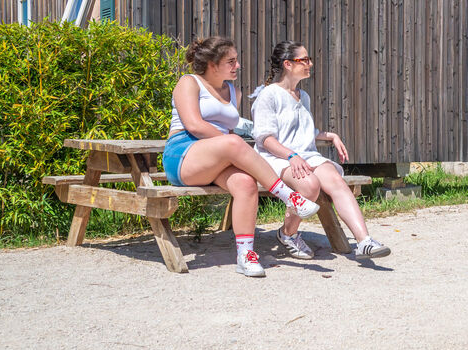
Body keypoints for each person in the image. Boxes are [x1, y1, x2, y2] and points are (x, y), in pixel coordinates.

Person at [163, 36, 320, 278]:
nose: (238, 66)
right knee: (233, 141)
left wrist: (230, 146)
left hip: (219, 158)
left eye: (237, 61)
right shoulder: (189, 82)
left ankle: (245, 255)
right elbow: (194, 125)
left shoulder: (232, 91)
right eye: (231, 61)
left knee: (246, 184)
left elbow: (229, 135)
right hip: (183, 155)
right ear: (213, 64)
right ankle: (289, 196)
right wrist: (230, 144)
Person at [251, 41, 390, 259]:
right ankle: (287, 234)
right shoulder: (269, 95)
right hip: (275, 157)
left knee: (336, 181)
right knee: (310, 185)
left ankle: (364, 242)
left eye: (309, 59)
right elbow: (265, 138)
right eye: (304, 60)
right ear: (287, 64)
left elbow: (302, 130)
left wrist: (330, 135)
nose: (310, 64)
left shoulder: (302, 96)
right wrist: (291, 155)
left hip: (304, 156)